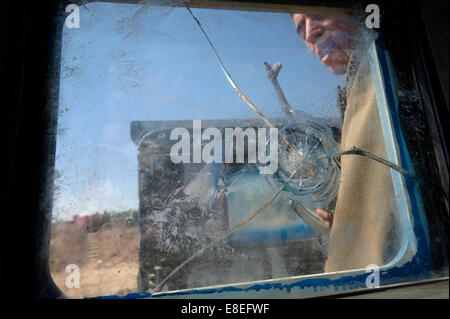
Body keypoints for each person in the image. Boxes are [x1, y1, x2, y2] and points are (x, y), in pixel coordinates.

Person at [292, 13, 399, 272]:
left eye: (316, 13)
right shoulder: (354, 89)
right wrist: (341, 207)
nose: (309, 33)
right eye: (300, 29)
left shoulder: (385, 66)